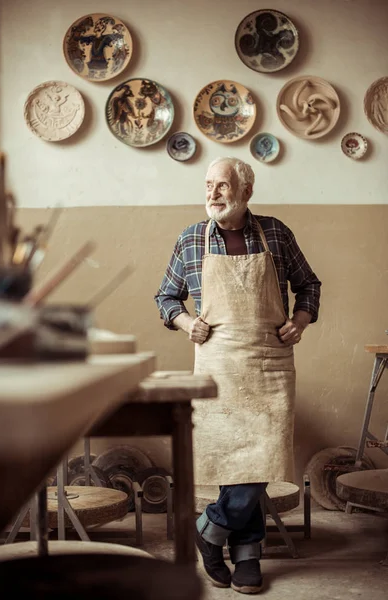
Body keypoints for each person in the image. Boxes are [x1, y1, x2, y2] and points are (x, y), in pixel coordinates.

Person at [154, 157, 321, 595]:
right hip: (219, 363)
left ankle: (210, 528)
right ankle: (248, 553)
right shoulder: (192, 238)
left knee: (262, 455)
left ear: (246, 191)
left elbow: (310, 285)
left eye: (222, 186)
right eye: (208, 184)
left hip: (269, 362)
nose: (212, 193)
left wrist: (300, 321)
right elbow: (166, 296)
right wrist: (185, 323)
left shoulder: (277, 233)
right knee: (233, 457)